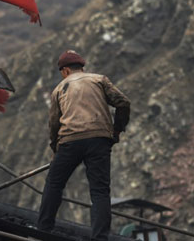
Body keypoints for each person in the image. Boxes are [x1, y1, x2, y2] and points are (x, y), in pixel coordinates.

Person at [37, 50, 131, 240]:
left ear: (64, 71)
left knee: (54, 183)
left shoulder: (59, 89)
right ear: (82, 67)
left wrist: (56, 148)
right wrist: (117, 130)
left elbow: (54, 123)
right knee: (99, 191)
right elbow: (123, 103)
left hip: (70, 140)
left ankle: (44, 228)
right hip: (99, 140)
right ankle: (100, 237)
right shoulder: (99, 80)